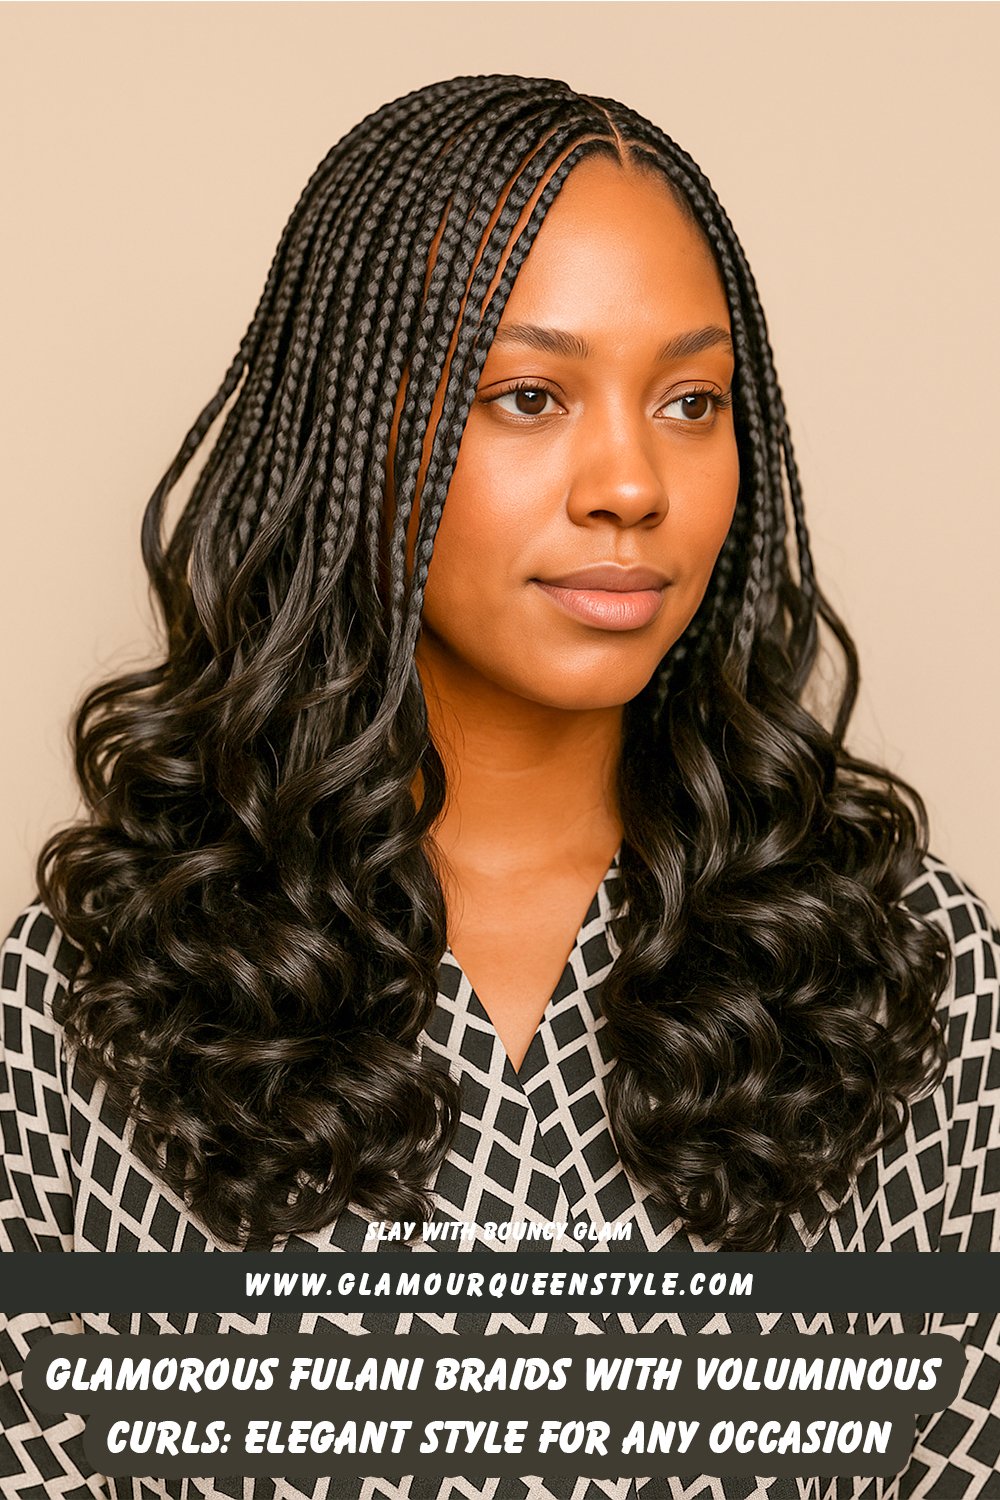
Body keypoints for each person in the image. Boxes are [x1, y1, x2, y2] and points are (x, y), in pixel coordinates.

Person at [1, 73, 997, 1500]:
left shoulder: (906, 971)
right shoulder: (80, 1008)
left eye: (692, 400)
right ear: (357, 435)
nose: (630, 484)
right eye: (529, 396)